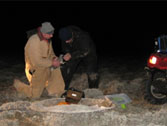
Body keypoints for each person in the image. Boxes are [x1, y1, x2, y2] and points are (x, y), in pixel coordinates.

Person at [13, 22, 65, 99]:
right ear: (43, 33)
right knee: (35, 95)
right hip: (36, 69)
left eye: (52, 33)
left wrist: (54, 58)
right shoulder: (33, 41)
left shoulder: (48, 39)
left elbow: (51, 53)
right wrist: (52, 62)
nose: (52, 35)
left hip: (47, 66)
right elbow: (36, 61)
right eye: (50, 34)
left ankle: (56, 92)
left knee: (57, 67)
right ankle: (18, 85)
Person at [58, 25, 99, 90]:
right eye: (64, 40)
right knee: (66, 67)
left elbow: (85, 51)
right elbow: (65, 48)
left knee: (91, 72)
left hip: (88, 52)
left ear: (72, 35)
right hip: (73, 52)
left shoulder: (83, 36)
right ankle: (64, 88)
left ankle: (93, 90)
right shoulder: (64, 36)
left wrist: (71, 55)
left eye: (68, 40)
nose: (66, 42)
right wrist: (67, 53)